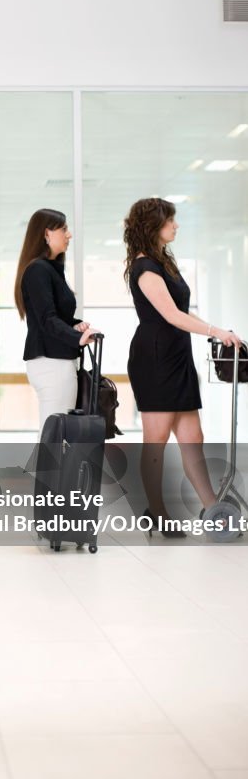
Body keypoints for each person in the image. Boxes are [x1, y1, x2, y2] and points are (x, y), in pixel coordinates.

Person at [124, 197, 242, 532]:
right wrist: (213, 330)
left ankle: (213, 510)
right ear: (153, 226)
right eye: (170, 221)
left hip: (177, 354)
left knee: (193, 436)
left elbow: (183, 312)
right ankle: (157, 512)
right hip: (156, 357)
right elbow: (171, 315)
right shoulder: (144, 267)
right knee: (157, 439)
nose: (175, 226)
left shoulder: (164, 263)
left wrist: (215, 332)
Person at [15, 208, 99, 433]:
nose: (69, 235)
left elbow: (55, 317)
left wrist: (75, 325)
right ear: (46, 234)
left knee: (55, 436)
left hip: (56, 360)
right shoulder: (38, 270)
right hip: (51, 363)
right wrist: (77, 337)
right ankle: (46, 471)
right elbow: (46, 319)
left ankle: (48, 470)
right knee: (54, 437)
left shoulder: (50, 269)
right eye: (63, 229)